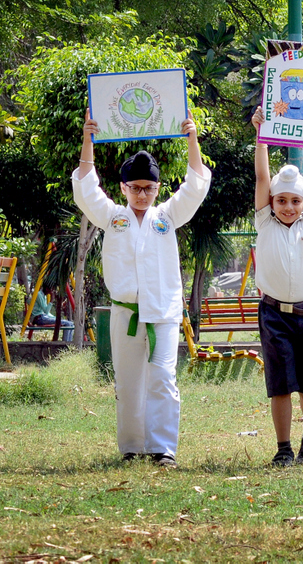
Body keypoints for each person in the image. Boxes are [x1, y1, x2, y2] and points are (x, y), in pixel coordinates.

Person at [73, 110, 211, 468]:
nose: (142, 194)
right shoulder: (113, 218)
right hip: (125, 312)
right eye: (134, 187)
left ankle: (163, 448)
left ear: (158, 189)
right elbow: (87, 188)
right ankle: (132, 446)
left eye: (149, 188)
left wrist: (192, 138)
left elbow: (195, 186)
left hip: (163, 312)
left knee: (164, 377)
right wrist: (89, 137)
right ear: (122, 188)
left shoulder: (166, 217)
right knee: (128, 381)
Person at [251, 109, 303, 466]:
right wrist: (260, 134)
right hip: (274, 315)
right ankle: (284, 448)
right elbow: (261, 176)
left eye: (294, 201)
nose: (288, 206)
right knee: (280, 385)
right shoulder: (264, 222)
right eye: (281, 200)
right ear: (271, 202)